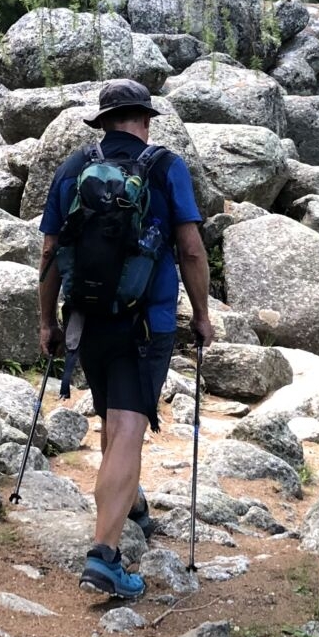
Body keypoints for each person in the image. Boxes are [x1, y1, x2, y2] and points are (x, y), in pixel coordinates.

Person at [38, 78, 214, 600]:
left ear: (104, 122)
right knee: (129, 424)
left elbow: (49, 252)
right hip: (146, 322)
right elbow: (191, 249)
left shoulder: (73, 168)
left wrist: (47, 323)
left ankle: (130, 503)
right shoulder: (165, 167)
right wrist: (202, 315)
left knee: (115, 417)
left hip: (87, 318)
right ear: (144, 121)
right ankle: (104, 556)